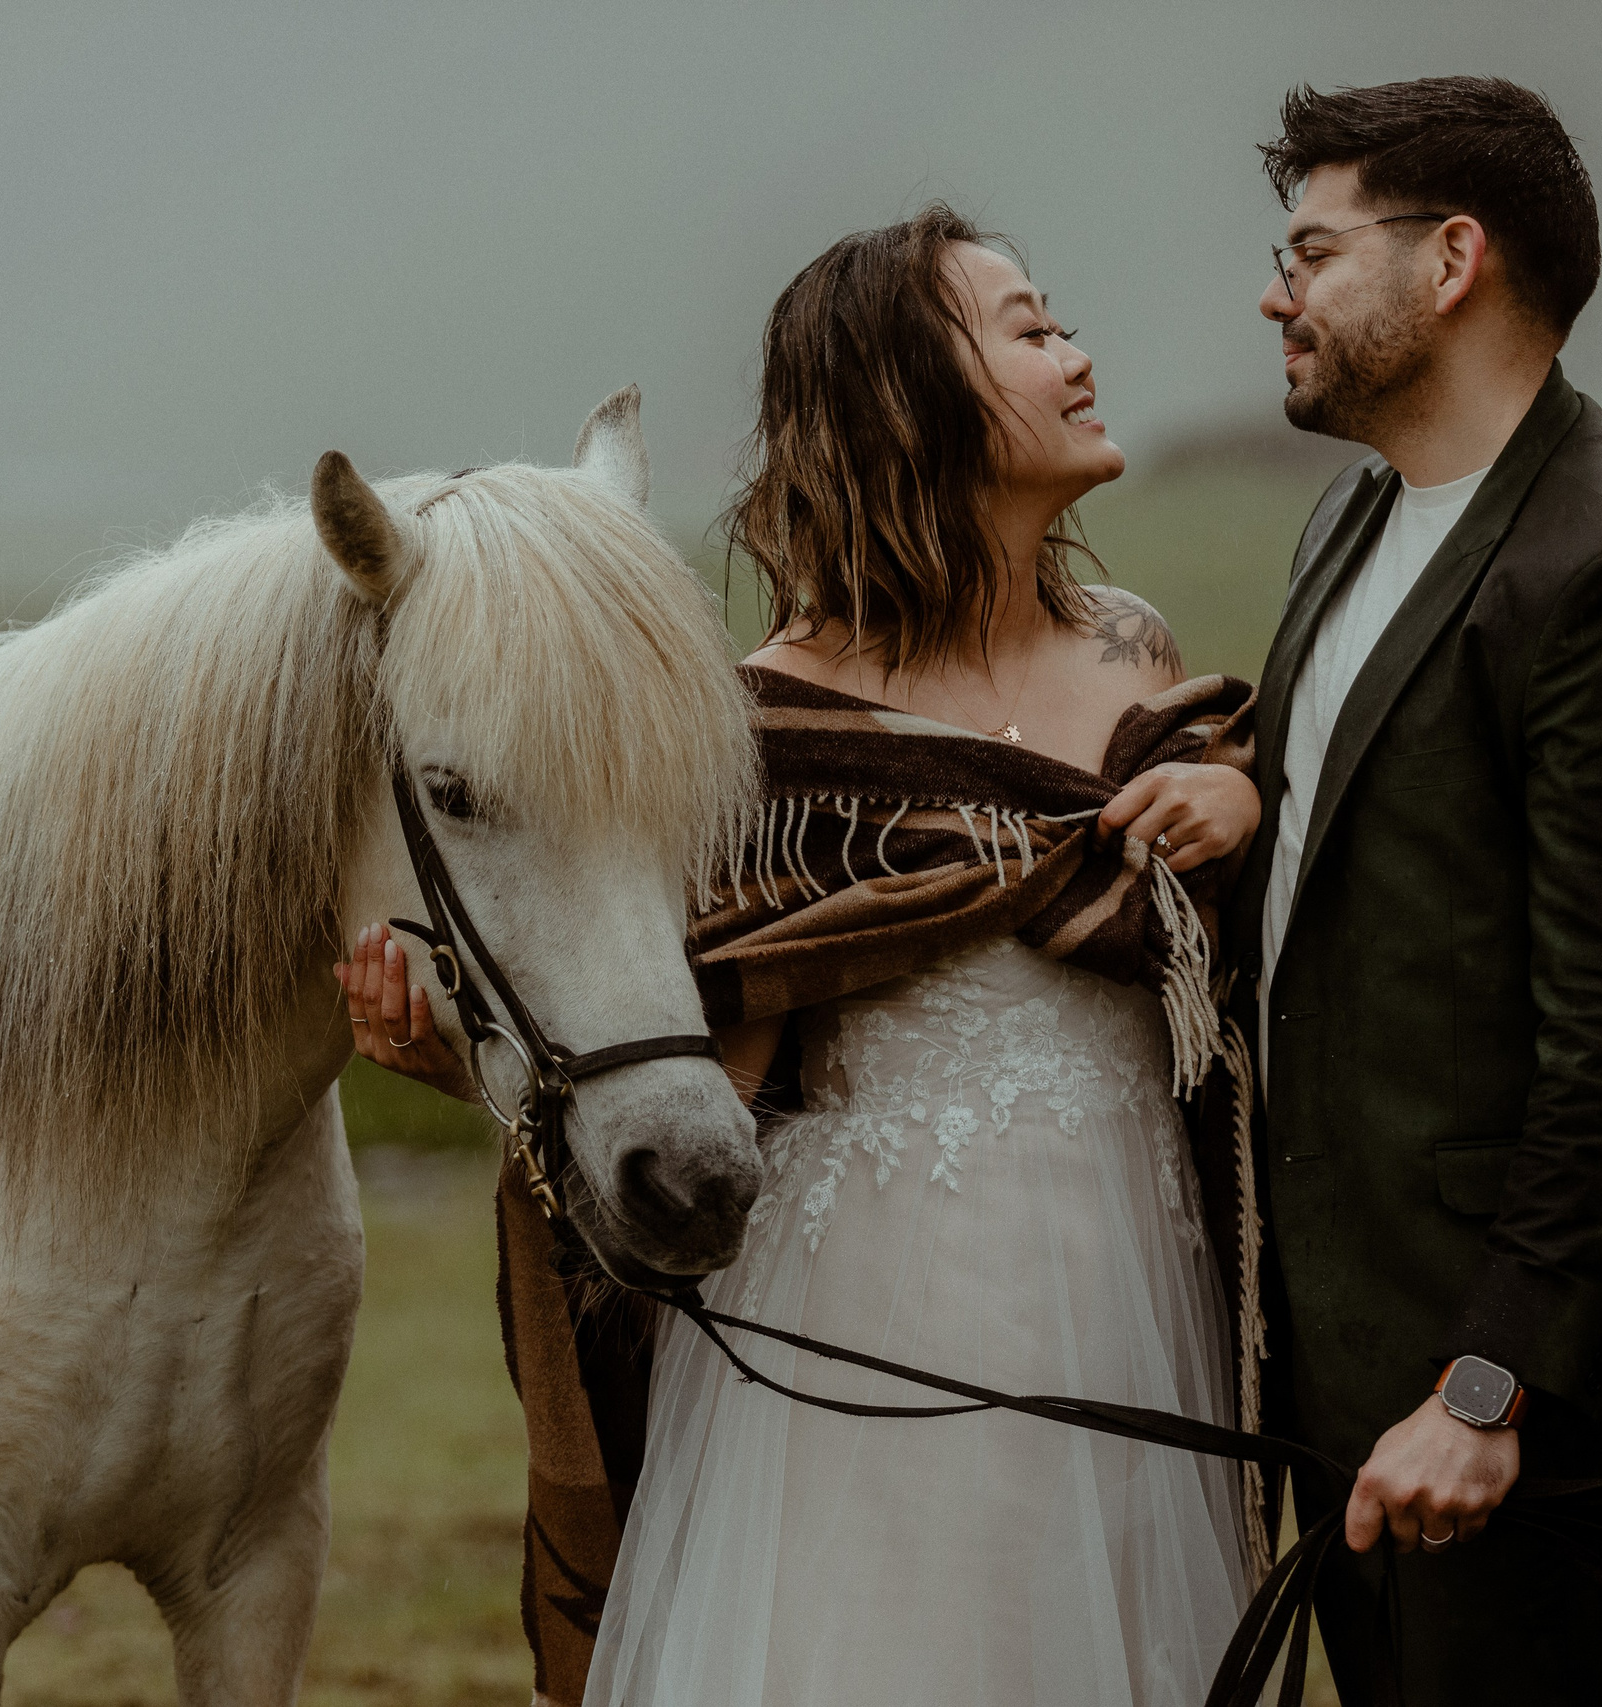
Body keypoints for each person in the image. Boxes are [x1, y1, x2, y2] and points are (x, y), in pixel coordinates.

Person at [342, 205, 1265, 1706]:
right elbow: (676, 1033)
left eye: (1061, 322)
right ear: (909, 398)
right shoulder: (753, 731)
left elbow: (1206, 961)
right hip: (862, 1326)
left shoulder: (1136, 657)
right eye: (1031, 331)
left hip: (1135, 1284)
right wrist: (462, 1065)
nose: (1079, 357)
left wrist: (1237, 804)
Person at [1226, 77, 1602, 1705]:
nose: (1279, 292)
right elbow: (1381, 865)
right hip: (1342, 1355)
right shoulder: (1356, 512)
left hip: (1513, 1401)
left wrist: (1488, 1389)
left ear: (1453, 257)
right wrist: (1239, 798)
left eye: (1313, 252)